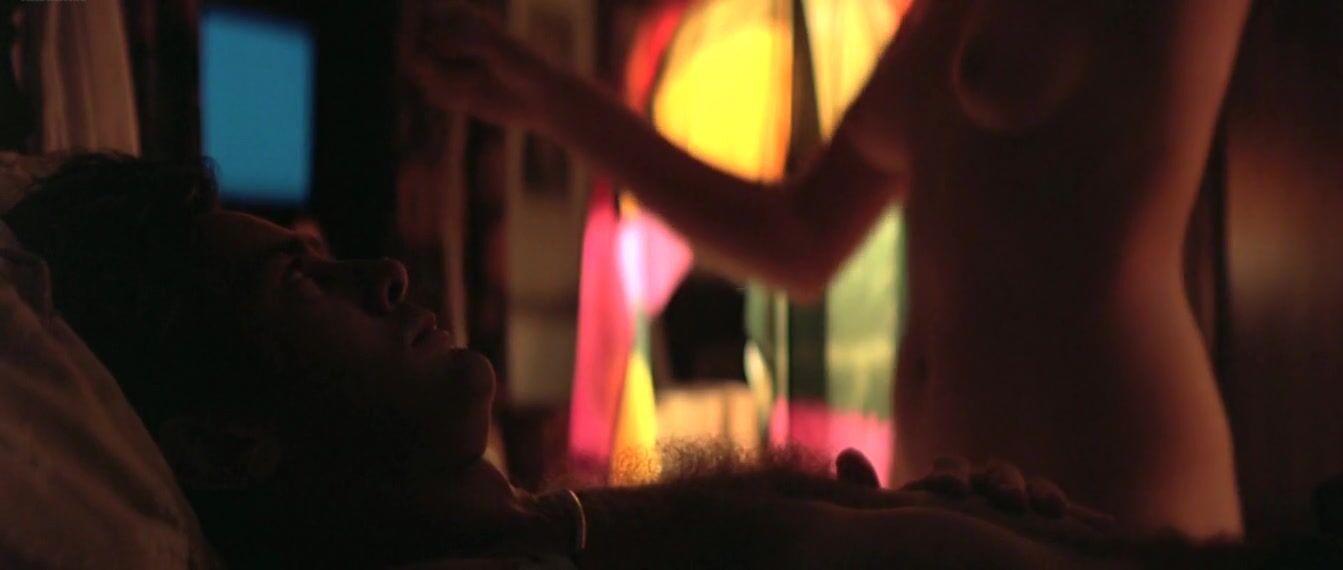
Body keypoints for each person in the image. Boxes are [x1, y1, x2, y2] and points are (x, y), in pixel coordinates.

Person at [8, 155, 1343, 569]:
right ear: (226, 442)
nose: (387, 273)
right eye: (302, 282)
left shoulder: (546, 525)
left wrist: (919, 514)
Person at [409, 0, 1249, 539]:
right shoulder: (935, 21)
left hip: (1108, 484)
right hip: (951, 500)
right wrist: (547, 98)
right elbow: (797, 236)